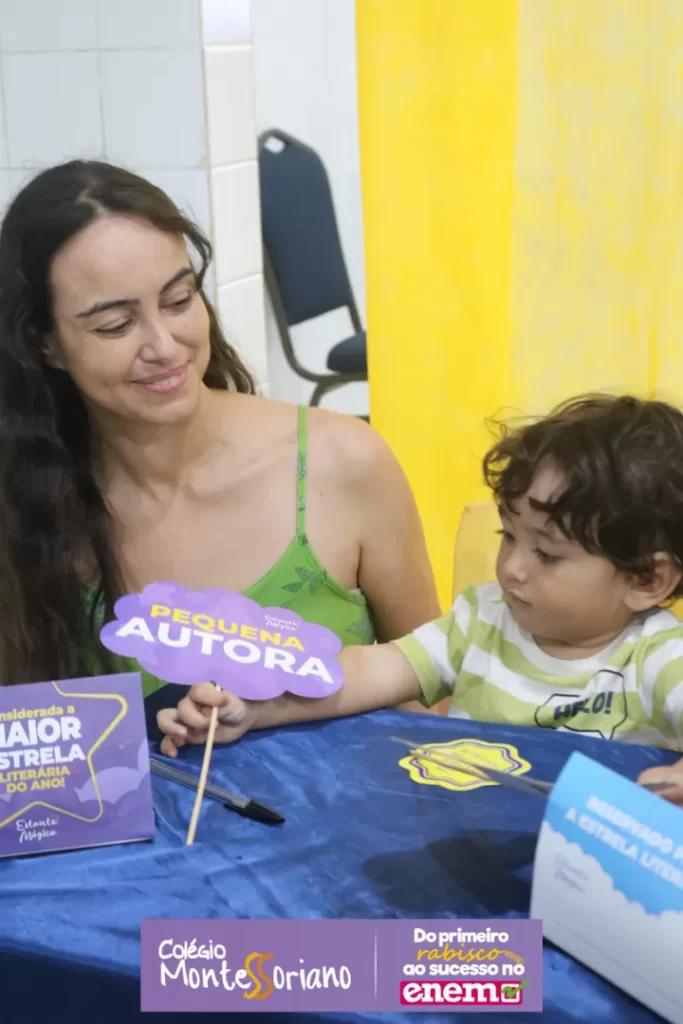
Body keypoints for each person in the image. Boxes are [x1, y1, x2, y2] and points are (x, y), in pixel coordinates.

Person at [0, 159, 440, 717]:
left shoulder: (344, 463)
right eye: (116, 325)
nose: (165, 346)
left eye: (179, 300)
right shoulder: (26, 508)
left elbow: (437, 692)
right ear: (46, 345)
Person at [158, 394, 683, 805]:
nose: (512, 568)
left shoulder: (656, 655)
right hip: (468, 849)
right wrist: (257, 706)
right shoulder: (483, 620)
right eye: (508, 536)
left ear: (647, 580)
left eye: (546, 554)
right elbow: (370, 671)